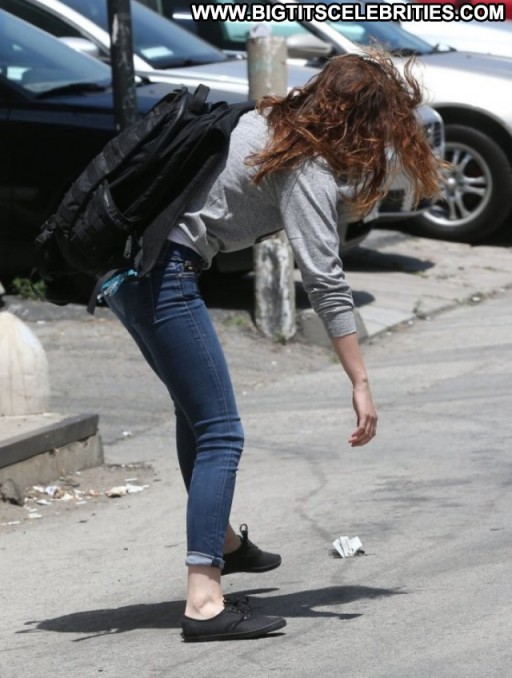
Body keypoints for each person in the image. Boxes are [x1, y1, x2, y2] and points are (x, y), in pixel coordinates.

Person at [104, 51, 444, 642]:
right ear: (361, 125)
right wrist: (360, 381)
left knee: (198, 418)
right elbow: (325, 279)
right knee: (222, 433)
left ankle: (223, 543)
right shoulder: (305, 166)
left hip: (130, 273)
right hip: (165, 276)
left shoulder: (267, 121)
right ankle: (204, 602)